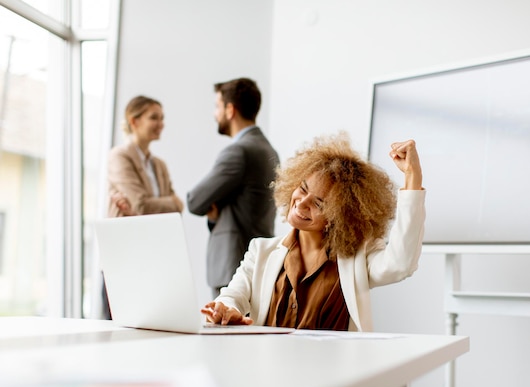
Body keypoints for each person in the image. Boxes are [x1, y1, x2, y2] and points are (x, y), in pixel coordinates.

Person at [201, 132, 425, 333]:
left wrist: (412, 178)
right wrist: (226, 310)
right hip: (268, 371)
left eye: (319, 203)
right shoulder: (261, 250)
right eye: (303, 189)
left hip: (336, 375)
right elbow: (233, 296)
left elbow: (400, 264)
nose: (301, 203)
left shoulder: (357, 258)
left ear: (339, 216)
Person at [187, 78, 279, 299]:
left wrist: (215, 208)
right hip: (254, 264)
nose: (214, 114)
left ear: (230, 110)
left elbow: (194, 201)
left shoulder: (239, 151)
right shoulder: (268, 149)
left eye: (217, 106)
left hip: (234, 267)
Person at [103, 95, 184, 319]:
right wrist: (171, 203)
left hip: (154, 255)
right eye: (154, 118)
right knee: (118, 329)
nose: (161, 124)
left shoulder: (159, 165)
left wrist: (169, 205)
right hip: (125, 256)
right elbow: (141, 205)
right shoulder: (119, 156)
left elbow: (177, 207)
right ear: (134, 121)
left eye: (162, 118)